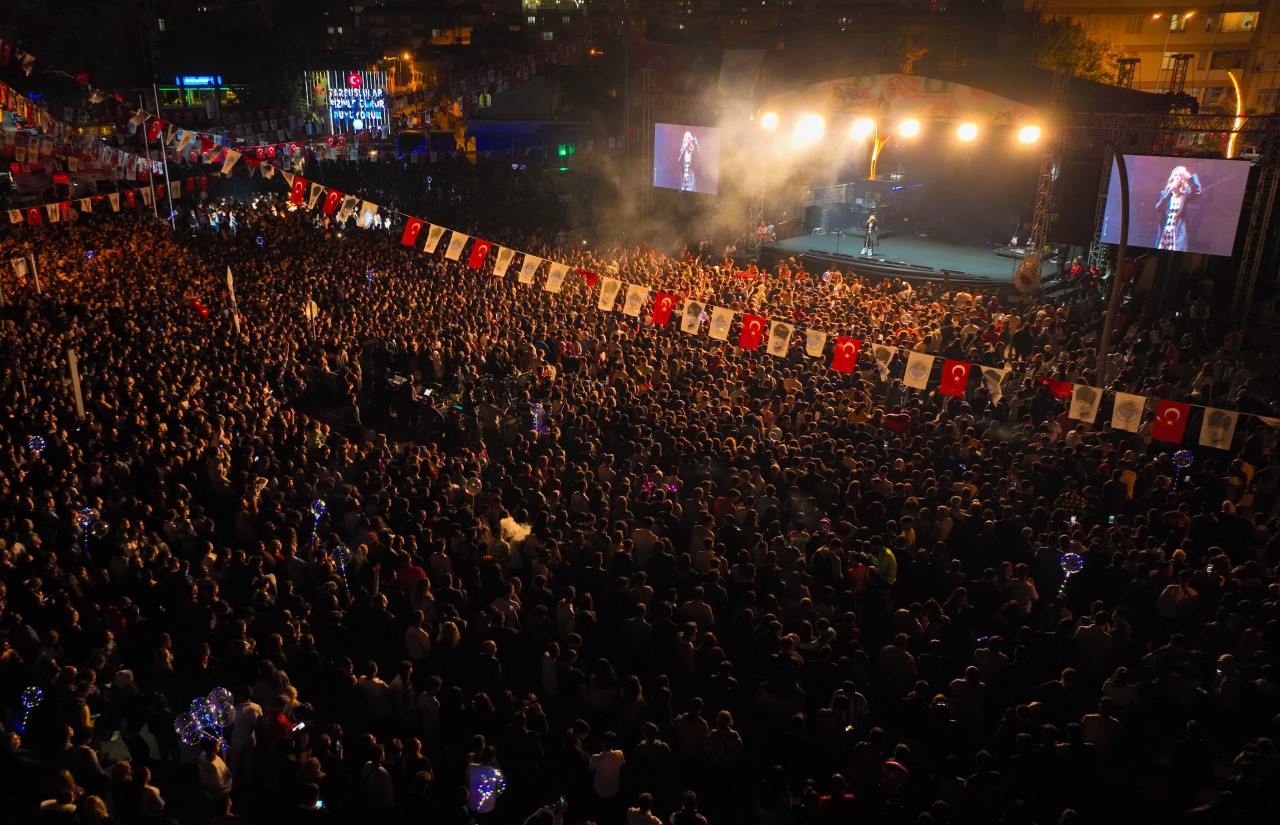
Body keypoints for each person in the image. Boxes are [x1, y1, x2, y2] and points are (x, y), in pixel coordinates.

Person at [1155, 165, 1202, 251]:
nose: (1177, 178)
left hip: (1177, 231)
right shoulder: (1164, 193)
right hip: (1164, 230)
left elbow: (1197, 192)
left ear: (1182, 179)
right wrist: (1169, 192)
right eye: (1176, 175)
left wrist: (1191, 177)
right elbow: (1159, 208)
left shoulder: (1184, 194)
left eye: (1180, 176)